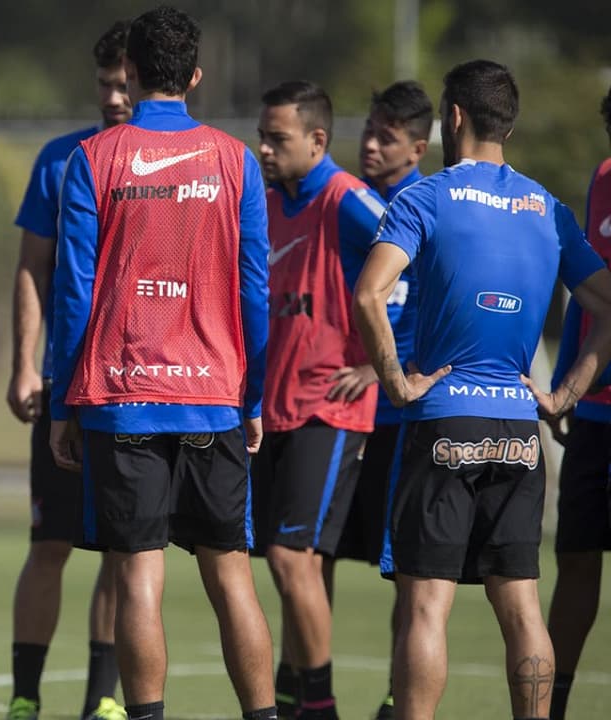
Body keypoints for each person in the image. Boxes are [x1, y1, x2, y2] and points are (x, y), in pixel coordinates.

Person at [354, 59, 611, 720]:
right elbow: (608, 305)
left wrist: (396, 380)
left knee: (426, 603)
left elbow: (370, 293)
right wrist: (564, 394)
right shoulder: (547, 210)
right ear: (511, 124)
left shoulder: (425, 197)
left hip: (443, 422)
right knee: (522, 603)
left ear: (455, 117)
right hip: (519, 432)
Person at [49, 6, 276, 720]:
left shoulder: (93, 158)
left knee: (138, 576)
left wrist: (63, 402)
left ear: (133, 73)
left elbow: (74, 292)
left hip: (123, 400)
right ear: (196, 77)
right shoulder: (237, 160)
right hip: (214, 398)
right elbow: (255, 291)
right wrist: (257, 397)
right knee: (232, 577)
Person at [4, 21, 128, 720]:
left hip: (135, 393)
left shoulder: (173, 165)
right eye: (104, 83)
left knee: (120, 549)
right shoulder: (60, 159)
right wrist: (26, 365)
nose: (113, 96)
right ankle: (25, 696)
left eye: (123, 83)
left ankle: (101, 701)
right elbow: (33, 268)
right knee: (48, 543)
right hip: (63, 385)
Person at [252, 79, 386, 720]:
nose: (264, 148)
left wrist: (378, 363)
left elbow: (424, 261)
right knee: (305, 564)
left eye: (277, 138)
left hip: (327, 408)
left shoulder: (346, 200)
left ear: (317, 140)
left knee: (287, 556)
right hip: (274, 408)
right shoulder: (271, 200)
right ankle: (296, 693)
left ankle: (321, 706)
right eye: (263, 135)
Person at [335, 79, 433, 720]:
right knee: (310, 551)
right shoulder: (355, 204)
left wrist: (379, 371)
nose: (370, 143)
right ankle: (302, 684)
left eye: (386, 136)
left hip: (400, 414)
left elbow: (434, 311)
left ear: (418, 147)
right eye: (368, 130)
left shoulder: (427, 207)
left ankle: (401, 698)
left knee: (406, 570)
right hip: (344, 414)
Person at [544, 83, 611, 720]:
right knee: (575, 559)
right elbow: (586, 295)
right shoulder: (602, 177)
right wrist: (568, 386)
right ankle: (554, 706)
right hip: (594, 412)